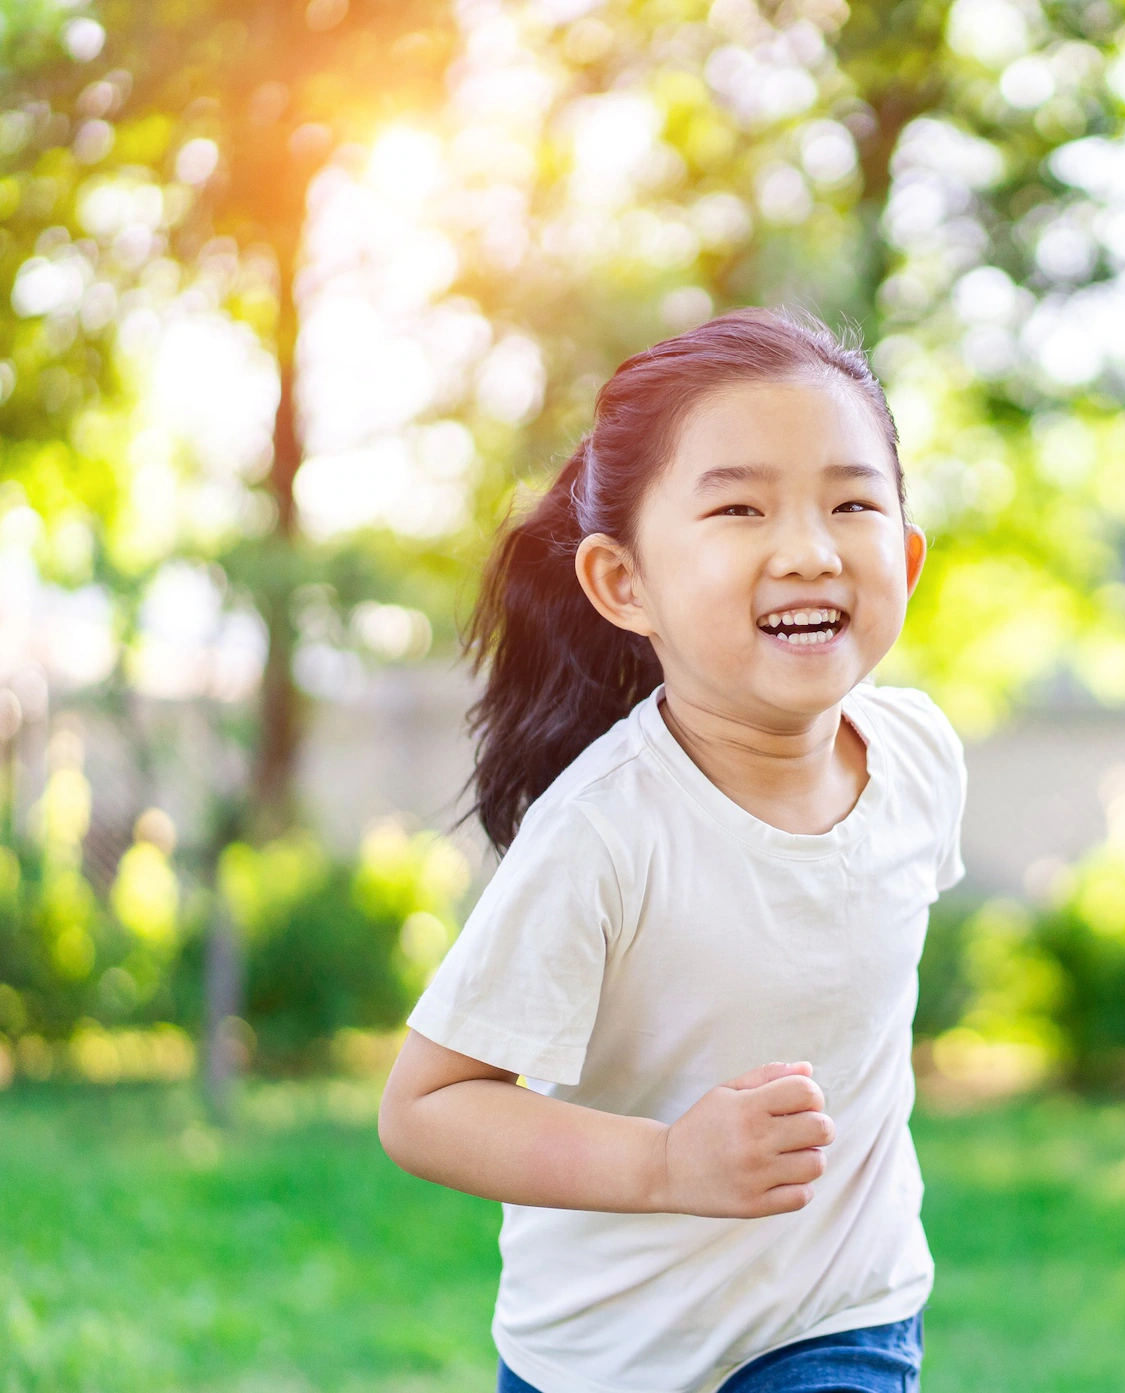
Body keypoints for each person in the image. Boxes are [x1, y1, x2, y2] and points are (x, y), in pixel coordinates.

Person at [377, 308, 966, 1393]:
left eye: (851, 501)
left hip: (840, 1317)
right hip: (606, 1356)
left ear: (907, 554)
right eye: (739, 506)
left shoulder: (919, 758)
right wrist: (666, 1165)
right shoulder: (602, 832)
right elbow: (425, 1106)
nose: (807, 548)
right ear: (621, 583)